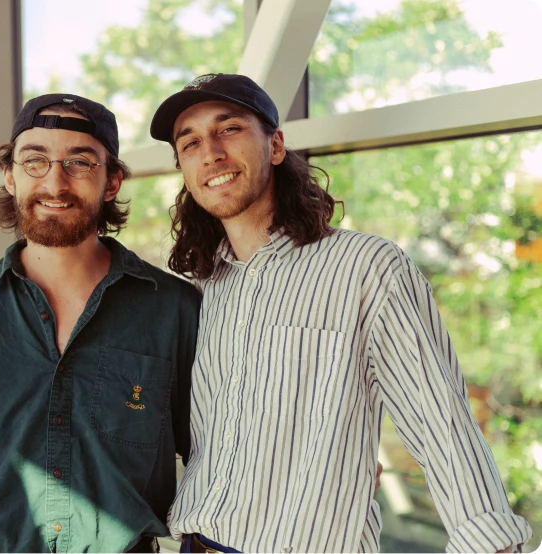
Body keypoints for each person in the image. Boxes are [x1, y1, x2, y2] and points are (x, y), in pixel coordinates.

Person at [149, 74, 533, 554]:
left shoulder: (366, 269)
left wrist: (492, 542)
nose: (210, 153)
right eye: (190, 143)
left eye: (229, 129)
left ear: (275, 146)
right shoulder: (205, 288)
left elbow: (440, 422)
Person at [0, 93, 201, 554]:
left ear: (112, 181)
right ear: (10, 177)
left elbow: (214, 461)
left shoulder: (173, 309)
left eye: (79, 162)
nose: (55, 182)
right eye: (35, 161)